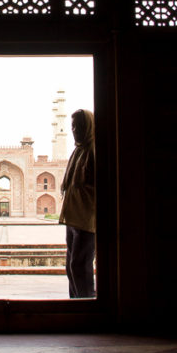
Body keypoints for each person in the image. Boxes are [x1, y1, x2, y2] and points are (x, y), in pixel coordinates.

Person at [59, 109, 96, 298]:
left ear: (88, 126)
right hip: (73, 218)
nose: (74, 130)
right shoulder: (78, 151)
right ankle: (76, 305)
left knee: (80, 265)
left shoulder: (93, 151)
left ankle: (88, 304)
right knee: (71, 266)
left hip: (87, 220)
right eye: (73, 126)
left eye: (79, 126)